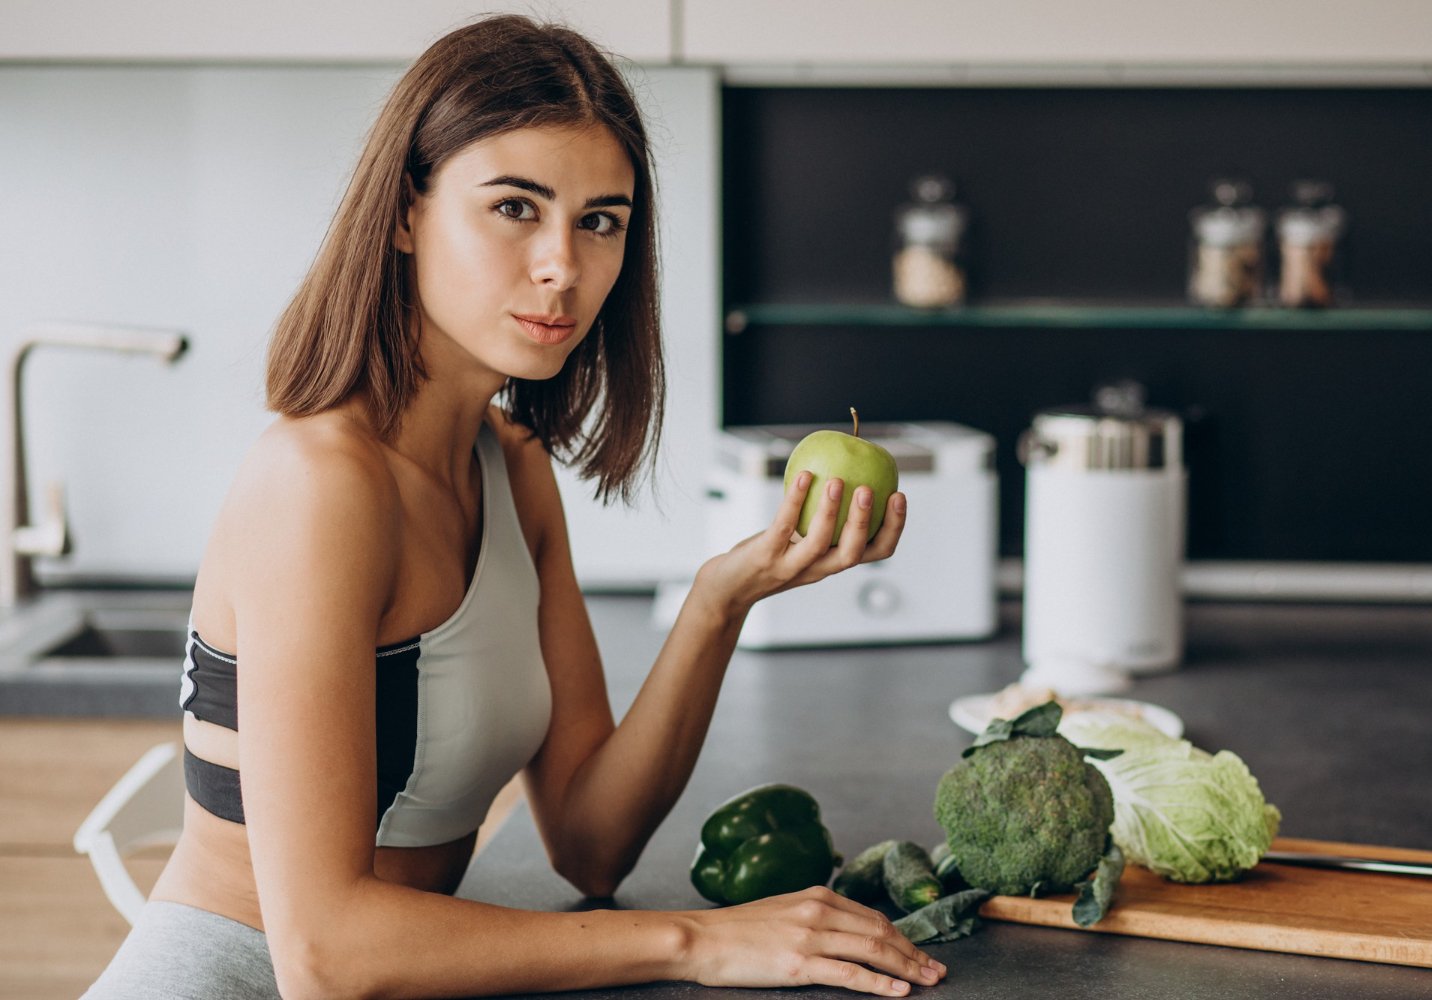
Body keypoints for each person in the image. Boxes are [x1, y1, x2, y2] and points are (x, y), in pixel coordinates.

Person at [84, 14, 934, 1000]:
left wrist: (719, 599)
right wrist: (700, 942)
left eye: (599, 221)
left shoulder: (510, 463)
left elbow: (588, 840)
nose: (562, 267)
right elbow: (323, 954)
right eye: (516, 208)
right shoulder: (319, 485)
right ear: (407, 212)